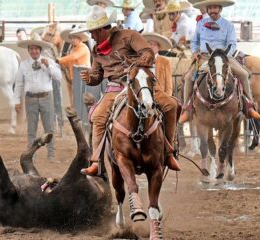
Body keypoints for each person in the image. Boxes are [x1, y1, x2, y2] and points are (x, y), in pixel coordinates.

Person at [72, 6, 180, 176]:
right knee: (97, 117)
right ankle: (96, 161)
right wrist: (90, 78)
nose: (91, 36)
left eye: (93, 32)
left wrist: (135, 66)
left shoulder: (129, 36)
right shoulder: (96, 49)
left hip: (140, 82)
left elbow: (148, 53)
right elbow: (97, 75)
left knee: (171, 105)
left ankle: (168, 151)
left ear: (101, 30)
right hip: (115, 88)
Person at [179, 0, 260, 124]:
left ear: (220, 9)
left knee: (243, 74)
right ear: (207, 10)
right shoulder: (200, 24)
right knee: (189, 77)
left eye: (215, 8)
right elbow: (195, 42)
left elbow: (232, 44)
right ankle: (187, 109)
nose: (212, 11)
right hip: (205, 57)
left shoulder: (228, 25)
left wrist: (223, 55)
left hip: (224, 57)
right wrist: (194, 52)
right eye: (210, 8)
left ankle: (249, 106)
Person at [14, 35, 62, 159]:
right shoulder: (24, 65)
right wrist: (16, 101)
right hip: (30, 98)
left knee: (49, 127)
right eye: (31, 49)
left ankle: (51, 153)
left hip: (46, 97)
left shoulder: (48, 61)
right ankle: (31, 154)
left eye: (36, 49)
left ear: (40, 50)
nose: (34, 51)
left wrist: (48, 66)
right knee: (31, 128)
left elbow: (58, 77)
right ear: (29, 50)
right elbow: (19, 83)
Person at [57, 29, 91, 107]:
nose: (72, 40)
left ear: (79, 38)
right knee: (74, 101)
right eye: (71, 38)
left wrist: (59, 60)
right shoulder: (72, 49)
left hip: (82, 78)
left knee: (81, 100)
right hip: (73, 79)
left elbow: (73, 57)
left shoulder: (83, 47)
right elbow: (69, 62)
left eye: (74, 38)